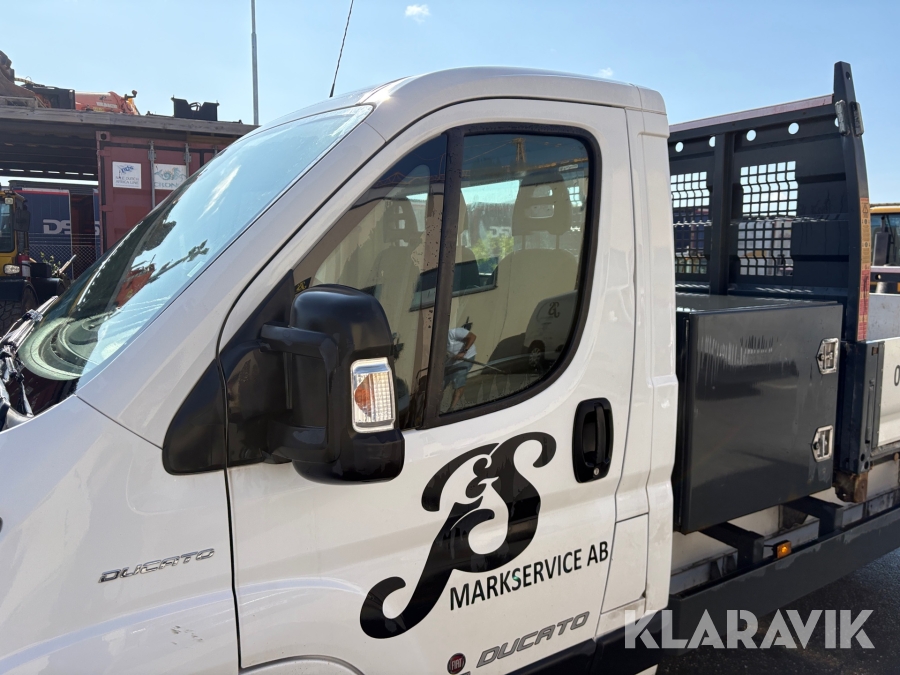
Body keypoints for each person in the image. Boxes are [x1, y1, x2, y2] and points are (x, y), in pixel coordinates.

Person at [444, 326, 477, 411]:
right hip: (450, 362)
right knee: (440, 384)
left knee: (458, 379)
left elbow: (472, 336)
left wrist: (463, 352)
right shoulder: (435, 341)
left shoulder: (453, 332)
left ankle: (452, 409)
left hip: (465, 357)